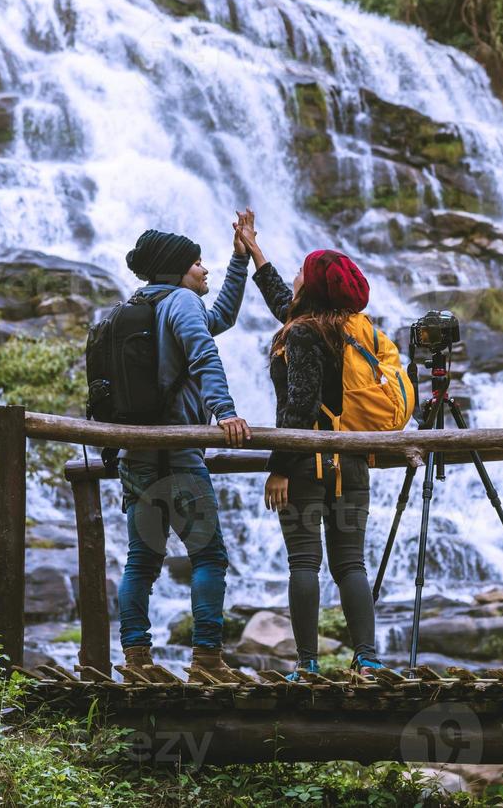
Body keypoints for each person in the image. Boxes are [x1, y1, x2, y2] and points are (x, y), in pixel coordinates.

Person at [233, 211, 388, 680]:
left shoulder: (301, 332)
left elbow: (299, 406)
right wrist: (255, 252)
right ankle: (367, 658)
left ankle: (307, 664)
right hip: (353, 462)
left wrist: (279, 467)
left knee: (304, 562)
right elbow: (286, 299)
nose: (297, 274)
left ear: (314, 286)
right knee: (351, 564)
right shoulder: (351, 327)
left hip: (307, 469)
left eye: (303, 269)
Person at [115, 227, 253, 677]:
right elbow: (203, 354)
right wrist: (225, 412)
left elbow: (219, 321)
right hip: (178, 453)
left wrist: (239, 261)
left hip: (135, 453)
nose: (203, 267)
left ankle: (136, 658)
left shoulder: (136, 306)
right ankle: (207, 659)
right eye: (197, 262)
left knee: (142, 560)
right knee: (208, 557)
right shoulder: (182, 302)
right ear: (178, 270)